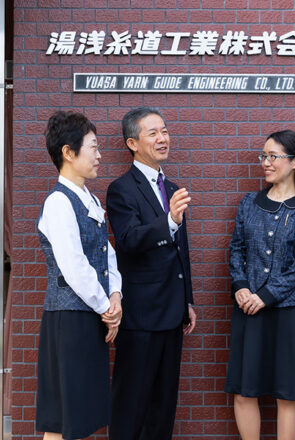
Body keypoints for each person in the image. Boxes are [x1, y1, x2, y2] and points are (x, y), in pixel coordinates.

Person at [226, 130, 295, 440]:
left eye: (272, 156)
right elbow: (236, 249)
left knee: (288, 392)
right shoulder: (248, 203)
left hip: (290, 313)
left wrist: (265, 296)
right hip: (248, 309)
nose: (265, 162)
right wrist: (241, 286)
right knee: (244, 391)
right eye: (263, 156)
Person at [106, 107, 196, 440]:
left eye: (165, 131)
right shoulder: (121, 189)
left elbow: (180, 249)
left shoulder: (171, 186)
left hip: (172, 314)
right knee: (131, 403)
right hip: (140, 315)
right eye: (153, 133)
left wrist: (187, 299)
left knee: (163, 404)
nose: (163, 139)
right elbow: (128, 240)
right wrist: (169, 220)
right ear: (132, 142)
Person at [35, 111, 123, 440]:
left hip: (89, 315)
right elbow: (73, 266)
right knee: (64, 417)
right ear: (69, 153)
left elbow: (106, 253)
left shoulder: (90, 199)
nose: (100, 156)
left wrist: (115, 296)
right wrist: (106, 307)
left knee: (80, 414)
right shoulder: (59, 202)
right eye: (93, 148)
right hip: (69, 319)